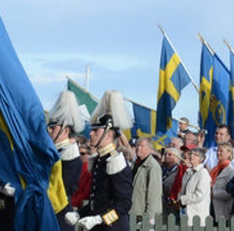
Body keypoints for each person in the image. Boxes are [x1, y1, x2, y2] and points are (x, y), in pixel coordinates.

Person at [68, 90, 133, 231]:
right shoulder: (99, 159)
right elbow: (98, 201)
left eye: (96, 131)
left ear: (109, 135)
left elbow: (124, 204)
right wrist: (79, 213)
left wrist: (100, 219)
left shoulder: (116, 161)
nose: (90, 133)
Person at [46, 90, 87, 230]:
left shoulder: (71, 157)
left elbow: (61, 190)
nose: (49, 131)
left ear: (65, 131)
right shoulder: (54, 152)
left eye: (53, 127)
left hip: (60, 214)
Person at [129, 138, 162, 225]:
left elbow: (154, 193)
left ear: (149, 149)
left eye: (142, 146)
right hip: (133, 211)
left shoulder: (152, 166)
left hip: (142, 213)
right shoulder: (136, 164)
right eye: (137, 145)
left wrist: (149, 216)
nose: (138, 148)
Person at [178, 147, 211, 224]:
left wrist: (182, 200)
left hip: (197, 214)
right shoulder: (187, 172)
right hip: (185, 212)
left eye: (196, 155)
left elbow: (199, 194)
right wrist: (179, 199)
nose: (192, 156)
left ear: (202, 159)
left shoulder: (203, 173)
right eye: (191, 153)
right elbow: (182, 190)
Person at [210, 142, 234, 222]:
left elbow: (230, 193)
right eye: (217, 151)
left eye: (221, 151)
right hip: (213, 209)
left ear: (229, 153)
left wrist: (213, 193)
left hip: (224, 211)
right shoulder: (215, 169)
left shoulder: (231, 171)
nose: (218, 153)